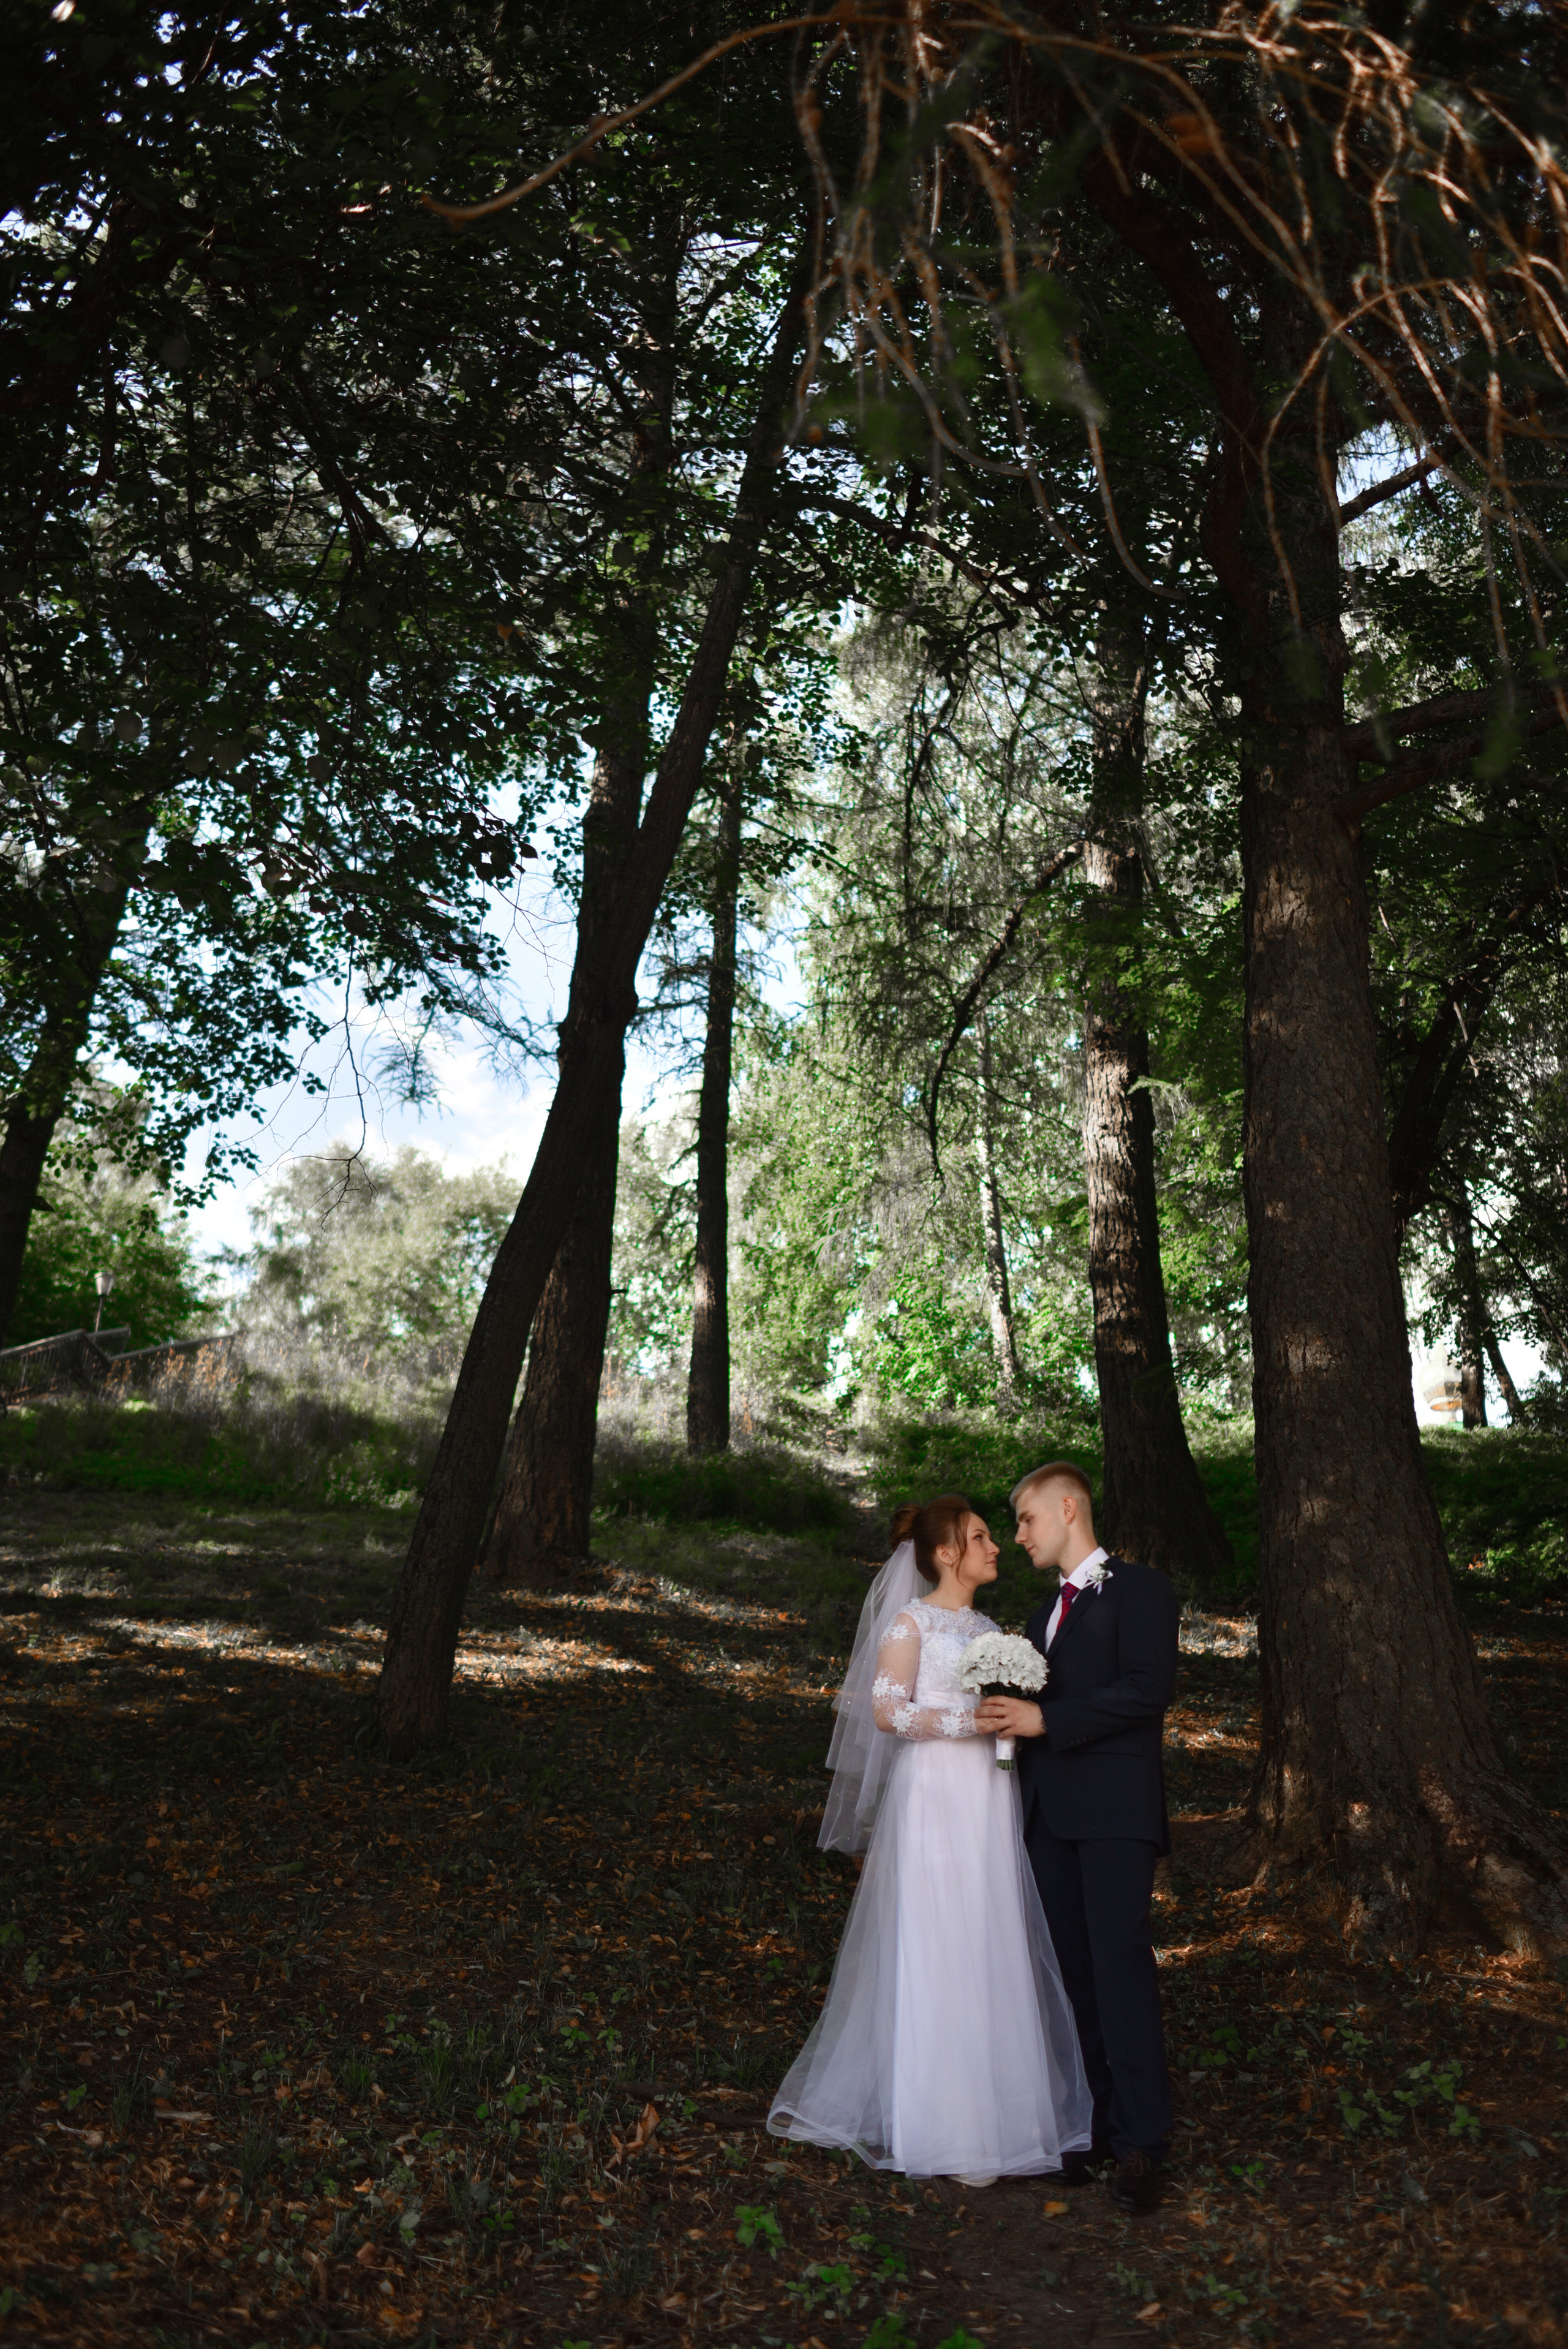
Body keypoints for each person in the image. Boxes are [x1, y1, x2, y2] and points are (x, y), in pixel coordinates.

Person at [768, 1494, 1091, 2184]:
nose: (996, 1547)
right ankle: (936, 2124)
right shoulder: (911, 1623)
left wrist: (1002, 1720)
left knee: (986, 1932)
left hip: (985, 1794)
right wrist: (968, 1724)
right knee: (938, 1933)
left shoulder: (987, 1626)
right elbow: (887, 1714)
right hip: (935, 1794)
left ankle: (997, 2119)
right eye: (980, 1538)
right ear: (946, 1553)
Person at [975, 1463, 1180, 2214]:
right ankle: (1087, 2128)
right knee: (1071, 1974)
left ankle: (1139, 2142)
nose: (1018, 1535)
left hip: (1117, 1813)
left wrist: (1046, 1721)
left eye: (1026, 1519)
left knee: (1120, 1967)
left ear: (1068, 1508)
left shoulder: (1142, 1590)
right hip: (1050, 1817)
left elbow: (1147, 1688)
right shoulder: (1038, 1621)